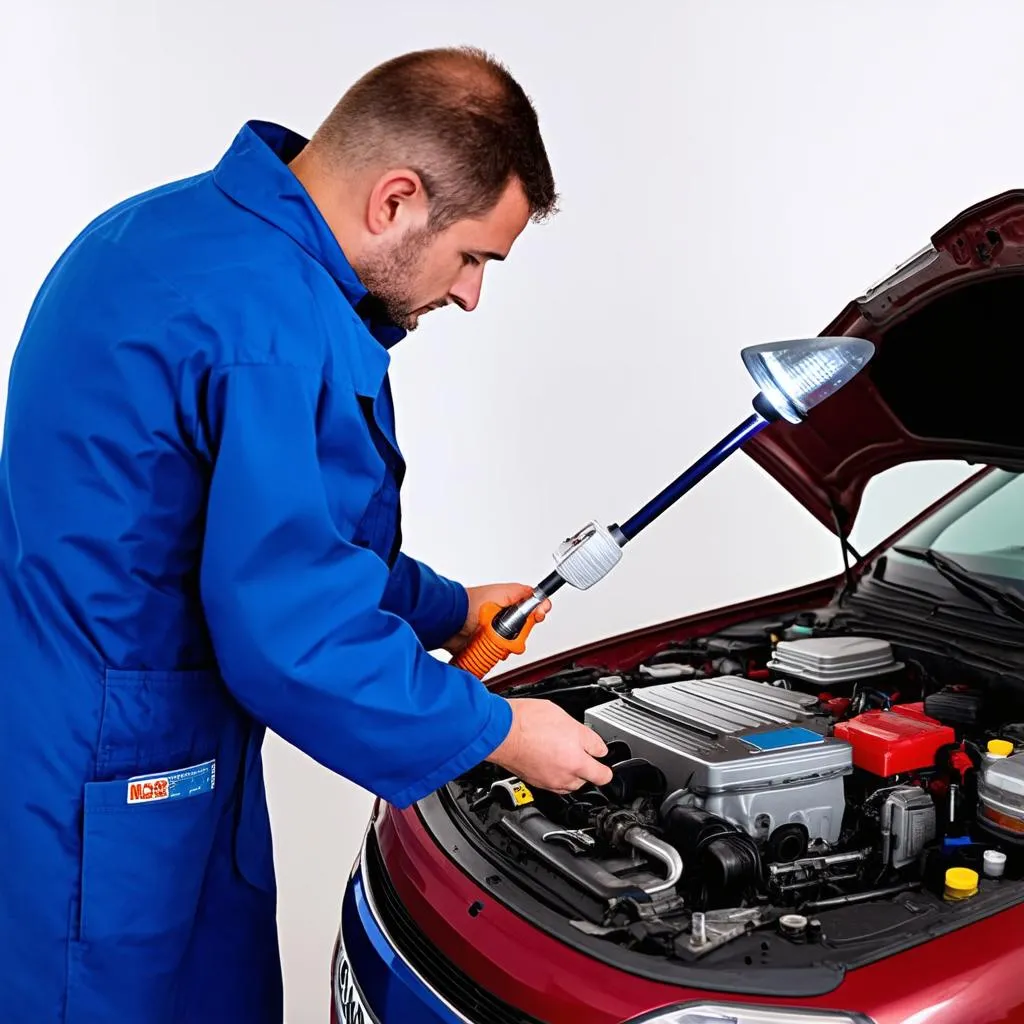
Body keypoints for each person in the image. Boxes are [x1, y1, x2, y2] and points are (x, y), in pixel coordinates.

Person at [0, 46, 614, 1024]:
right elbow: (293, 632)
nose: (469, 295)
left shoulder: (159, 233)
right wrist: (496, 731)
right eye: (472, 258)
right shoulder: (278, 327)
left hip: (76, 723)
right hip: (119, 779)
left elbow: (268, 537)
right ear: (396, 199)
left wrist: (449, 607)